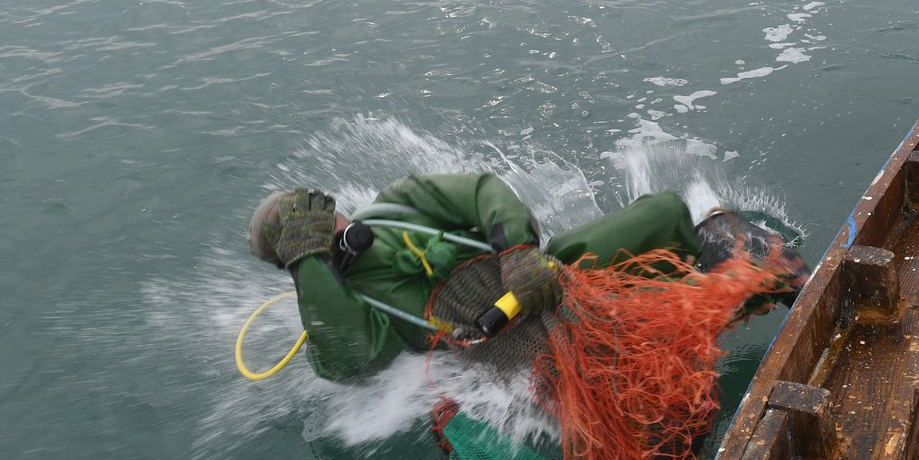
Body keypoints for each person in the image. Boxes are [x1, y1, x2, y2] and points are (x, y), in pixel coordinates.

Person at [248, 174, 802, 381]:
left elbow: (482, 190)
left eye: (330, 220)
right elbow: (354, 355)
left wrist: (516, 253)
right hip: (511, 347)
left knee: (659, 213)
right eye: (317, 238)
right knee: (643, 340)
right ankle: (744, 283)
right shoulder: (335, 314)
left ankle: (717, 243)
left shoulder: (397, 205)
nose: (340, 233)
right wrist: (312, 266)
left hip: (548, 277)